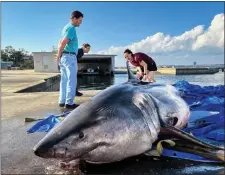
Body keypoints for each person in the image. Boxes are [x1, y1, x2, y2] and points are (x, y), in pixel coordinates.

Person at [55, 10, 83, 109]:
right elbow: (63, 42)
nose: (80, 22)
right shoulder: (71, 28)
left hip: (65, 57)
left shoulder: (65, 28)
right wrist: (59, 53)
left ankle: (62, 101)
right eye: (80, 20)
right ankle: (69, 103)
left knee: (64, 80)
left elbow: (60, 42)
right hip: (70, 57)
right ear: (74, 18)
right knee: (72, 80)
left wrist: (60, 54)